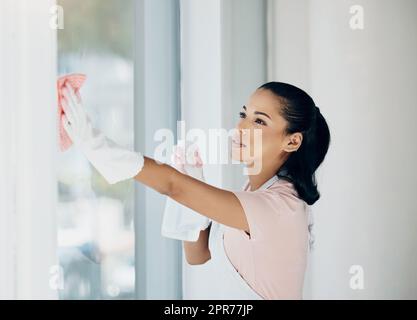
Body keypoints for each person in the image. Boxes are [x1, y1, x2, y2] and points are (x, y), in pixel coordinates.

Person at [61, 81, 330, 299]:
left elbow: (171, 185)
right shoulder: (254, 194)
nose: (240, 128)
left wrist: (101, 149)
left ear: (292, 141)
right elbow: (197, 254)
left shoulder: (280, 205)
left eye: (259, 121)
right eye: (243, 115)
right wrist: (190, 183)